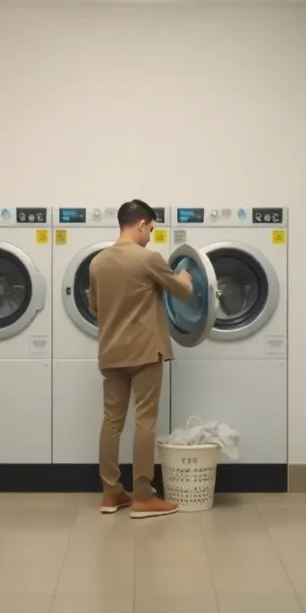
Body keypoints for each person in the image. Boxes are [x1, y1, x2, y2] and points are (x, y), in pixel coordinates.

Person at [89, 199, 195, 518]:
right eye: (151, 228)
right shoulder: (148, 258)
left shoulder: (97, 262)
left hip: (111, 351)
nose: (151, 235)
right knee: (144, 420)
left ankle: (111, 493)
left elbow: (95, 307)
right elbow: (182, 292)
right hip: (146, 350)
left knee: (111, 421)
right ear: (141, 224)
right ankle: (144, 496)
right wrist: (189, 276)